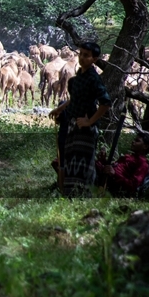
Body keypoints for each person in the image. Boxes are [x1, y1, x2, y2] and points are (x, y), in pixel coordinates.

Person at [49, 41, 111, 196]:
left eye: (87, 55)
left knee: (83, 162)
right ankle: (70, 193)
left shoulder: (93, 78)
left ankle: (84, 195)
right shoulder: (79, 76)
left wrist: (90, 121)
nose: (82, 58)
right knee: (71, 158)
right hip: (73, 124)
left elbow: (106, 102)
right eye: (81, 54)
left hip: (85, 127)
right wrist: (60, 108)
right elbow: (74, 98)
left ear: (94, 59)